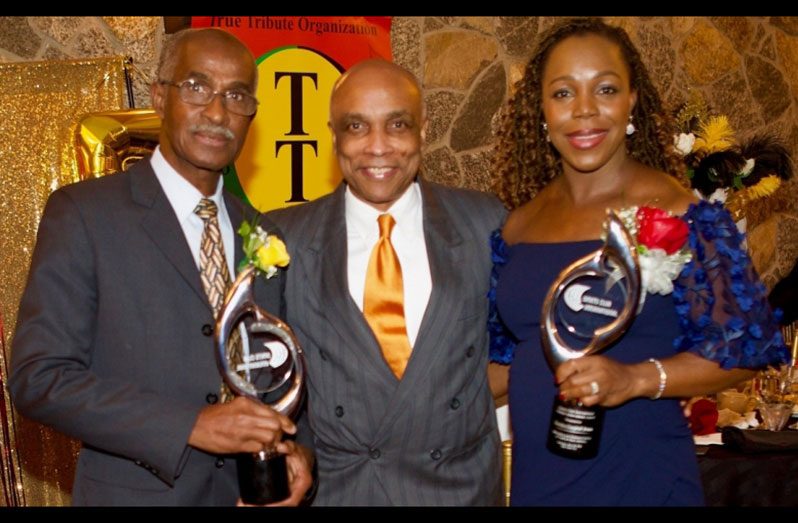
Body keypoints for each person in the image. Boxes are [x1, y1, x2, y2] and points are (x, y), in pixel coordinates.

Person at [489, 18, 789, 506]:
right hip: (538, 484)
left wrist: (635, 379)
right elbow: (506, 363)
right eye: (563, 93)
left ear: (632, 100)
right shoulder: (518, 224)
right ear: (541, 109)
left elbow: (746, 351)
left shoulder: (678, 212)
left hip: (639, 481)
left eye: (605, 89)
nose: (584, 110)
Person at [9, 28, 312, 506]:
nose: (217, 112)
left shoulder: (264, 233)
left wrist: (300, 451)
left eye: (236, 95)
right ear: (158, 96)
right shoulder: (85, 214)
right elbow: (39, 377)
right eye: (196, 87)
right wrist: (189, 425)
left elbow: (279, 368)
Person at [266, 59, 505, 505]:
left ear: (423, 130)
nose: (379, 147)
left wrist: (441, 411)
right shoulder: (283, 239)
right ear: (333, 135)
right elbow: (267, 380)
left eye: (397, 124)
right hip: (342, 493)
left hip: (459, 491)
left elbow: (519, 345)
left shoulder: (485, 222)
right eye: (357, 127)